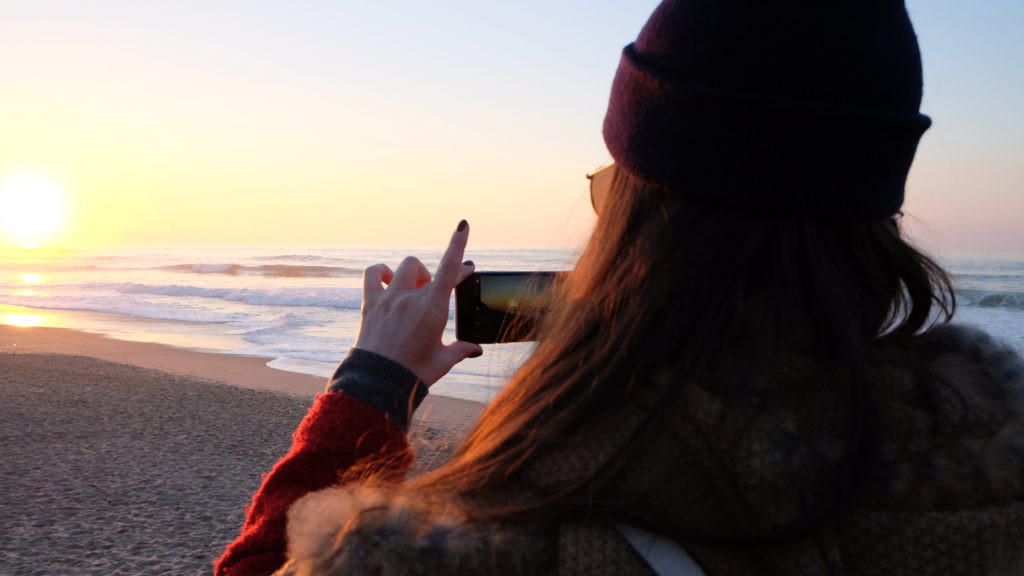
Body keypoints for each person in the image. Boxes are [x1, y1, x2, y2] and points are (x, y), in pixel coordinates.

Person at [217, 0, 1024, 574]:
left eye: (612, 189)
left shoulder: (454, 550)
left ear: (637, 227)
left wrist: (374, 384)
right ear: (873, 225)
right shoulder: (988, 473)